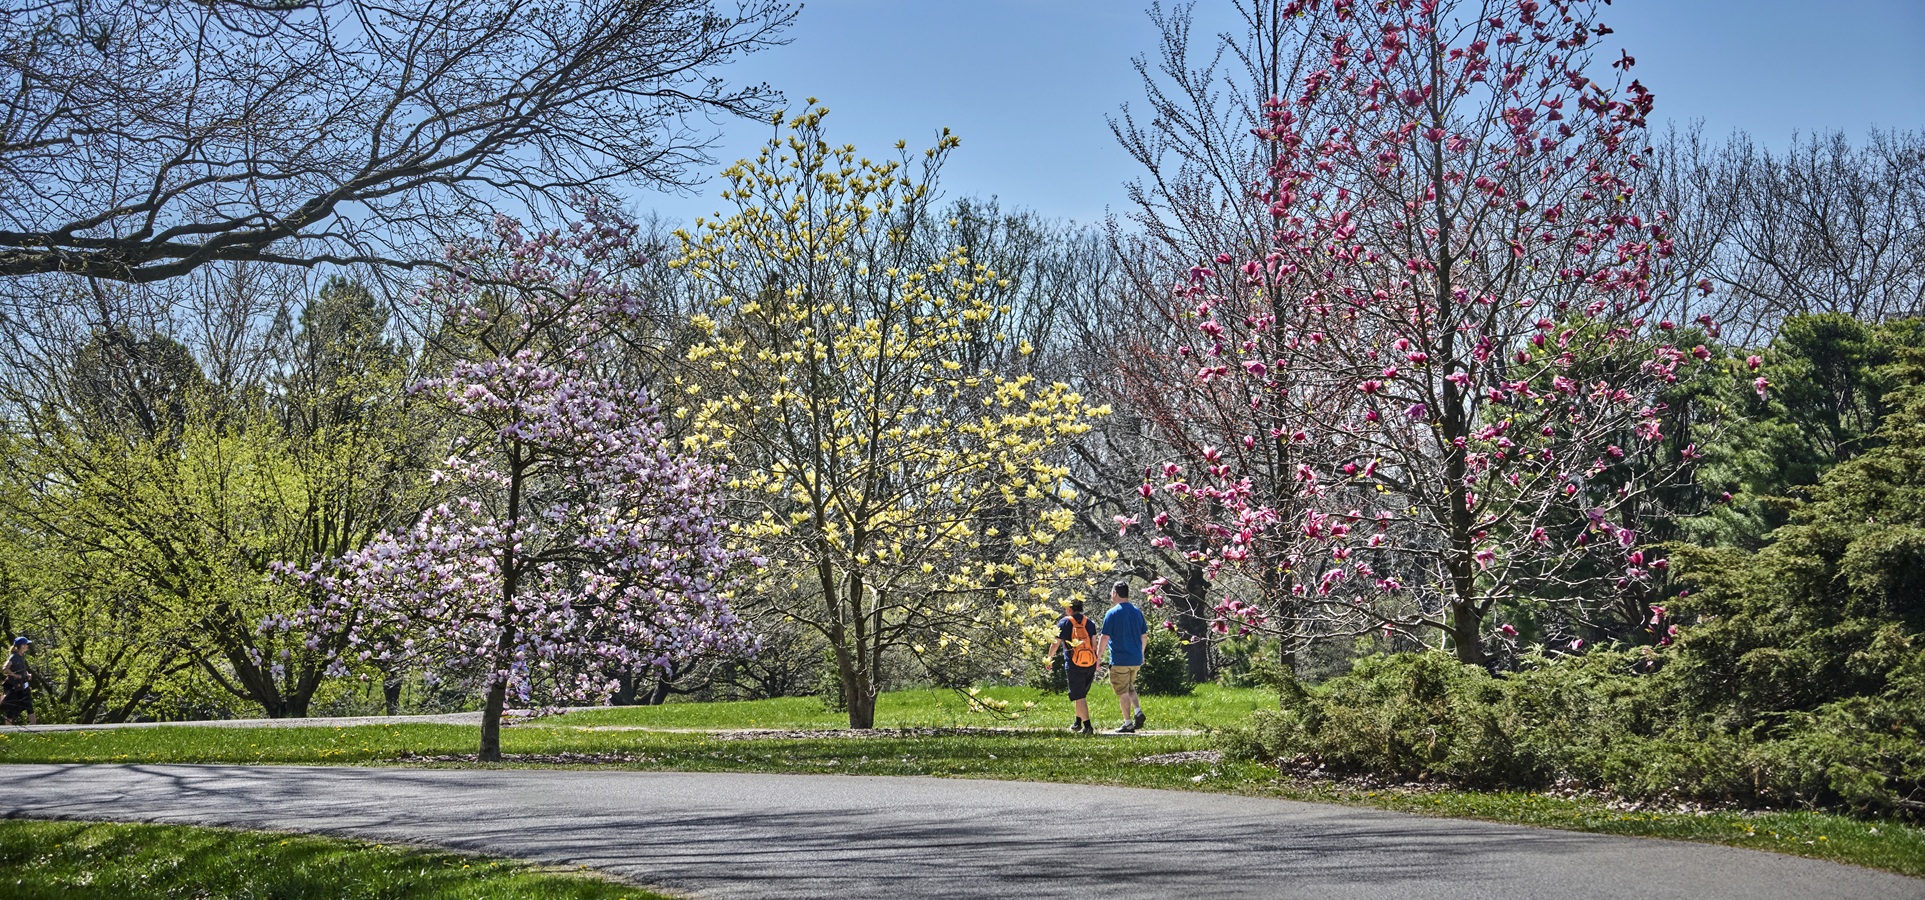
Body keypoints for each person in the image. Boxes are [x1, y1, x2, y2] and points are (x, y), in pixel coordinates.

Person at [1095, 580, 1149, 733]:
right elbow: (1144, 636)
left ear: (1115, 593)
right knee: (1130, 687)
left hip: (1120, 660)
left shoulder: (1112, 613)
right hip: (1135, 659)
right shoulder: (1137, 611)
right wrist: (1141, 654)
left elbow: (1104, 637)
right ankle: (1138, 711)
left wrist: (1098, 657)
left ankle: (1128, 723)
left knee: (1122, 691)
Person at [1042, 600, 1099, 734]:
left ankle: (1088, 727)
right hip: (1090, 662)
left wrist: (1049, 659)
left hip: (1074, 664)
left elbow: (1055, 644)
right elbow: (1094, 644)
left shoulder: (1065, 622)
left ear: (1069, 609)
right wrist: (1095, 660)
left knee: (1079, 695)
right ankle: (1077, 723)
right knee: (1080, 693)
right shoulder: (1089, 622)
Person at [2, 636, 34, 726]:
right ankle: (7, 731)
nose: (28, 646)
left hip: (23, 685)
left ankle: (35, 728)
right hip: (13, 687)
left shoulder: (22, 656)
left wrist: (27, 674)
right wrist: (14, 675)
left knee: (29, 706)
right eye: (26, 644)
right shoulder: (14, 657)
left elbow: (22, 669)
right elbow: (5, 668)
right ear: (22, 646)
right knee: (11, 709)